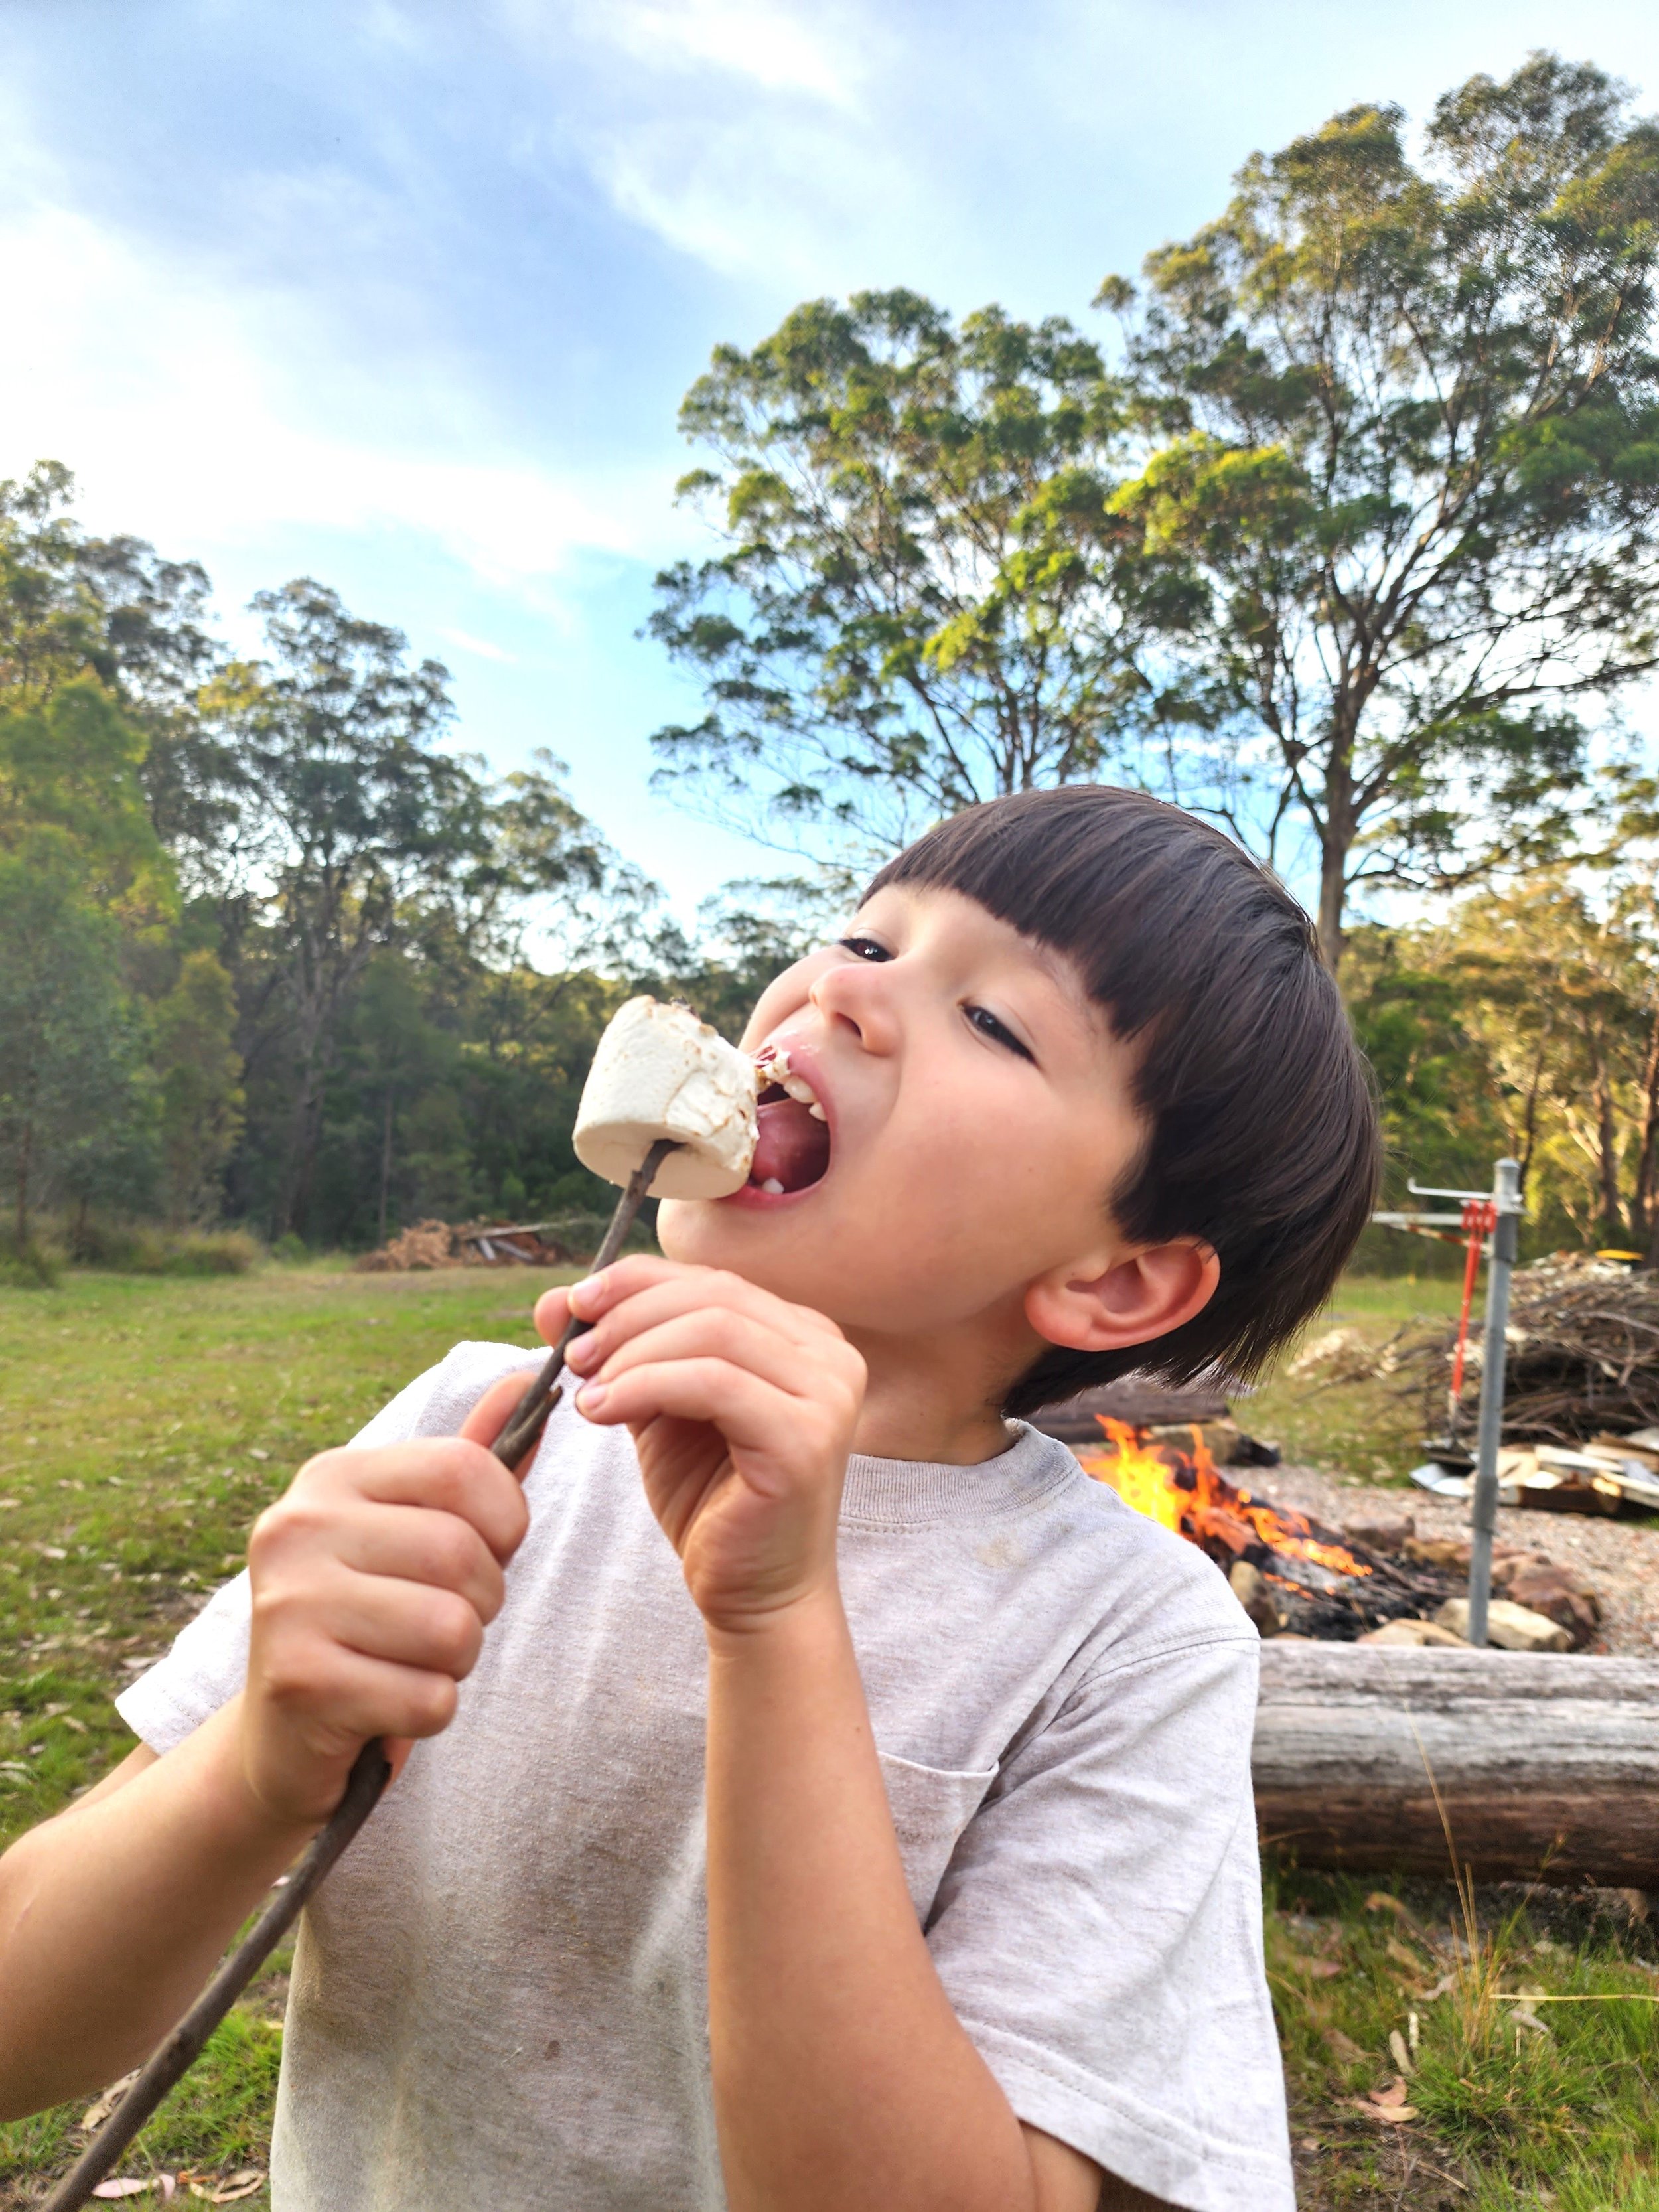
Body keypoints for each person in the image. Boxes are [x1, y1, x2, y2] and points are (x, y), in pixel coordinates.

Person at [0, 786, 1378, 2212]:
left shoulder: (1120, 1635)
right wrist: (254, 1764)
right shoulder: (476, 1427)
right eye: (865, 935)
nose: (843, 989)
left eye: (991, 1019)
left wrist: (778, 1624)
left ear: (1113, 1278)